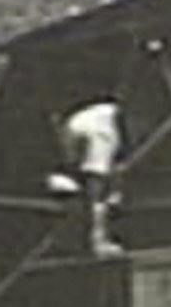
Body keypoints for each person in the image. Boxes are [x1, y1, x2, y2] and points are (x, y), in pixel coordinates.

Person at [48, 101, 123, 257]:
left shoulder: (104, 119)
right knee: (96, 194)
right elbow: (96, 187)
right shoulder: (103, 133)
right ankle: (96, 241)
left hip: (81, 130)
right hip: (85, 135)